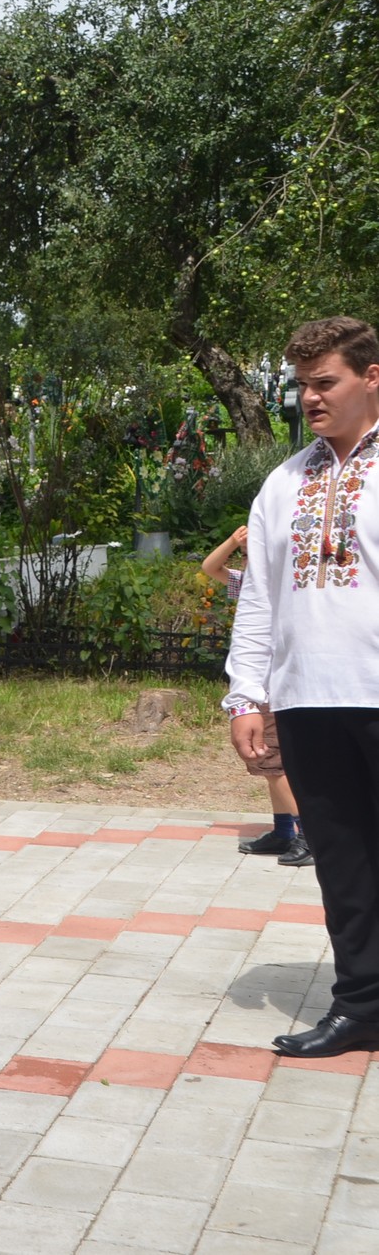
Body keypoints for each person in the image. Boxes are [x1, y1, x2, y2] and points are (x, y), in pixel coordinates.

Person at [229, 315, 379, 1059]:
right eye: (302, 384)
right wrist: (248, 695)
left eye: (326, 382)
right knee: (344, 865)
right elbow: (259, 596)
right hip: (310, 700)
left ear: (371, 376)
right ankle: (361, 1006)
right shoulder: (284, 482)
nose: (310, 398)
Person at [202, 525, 308, 865]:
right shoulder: (249, 584)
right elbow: (209, 567)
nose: (251, 560)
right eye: (248, 555)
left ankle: (308, 836)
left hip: (277, 689)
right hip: (256, 691)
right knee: (268, 763)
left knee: (275, 765)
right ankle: (283, 831)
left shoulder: (289, 589)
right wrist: (233, 541)